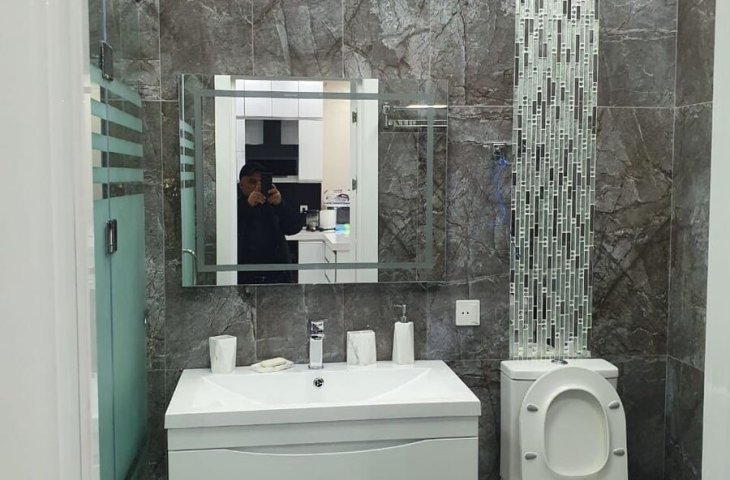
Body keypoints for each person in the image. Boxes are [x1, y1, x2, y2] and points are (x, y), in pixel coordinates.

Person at [237, 162, 303, 284]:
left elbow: (294, 228)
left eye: (261, 182)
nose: (257, 186)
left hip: (278, 274)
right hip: (246, 274)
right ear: (241, 185)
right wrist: (247, 205)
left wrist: (280, 205)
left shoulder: (275, 203)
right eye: (252, 182)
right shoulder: (234, 206)